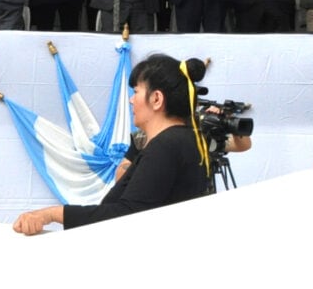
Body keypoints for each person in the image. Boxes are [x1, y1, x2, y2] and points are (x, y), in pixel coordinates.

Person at [13, 55, 211, 234]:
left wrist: (52, 214)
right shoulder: (190, 140)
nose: (131, 100)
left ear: (156, 99)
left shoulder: (165, 147)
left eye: (136, 92)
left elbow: (127, 214)